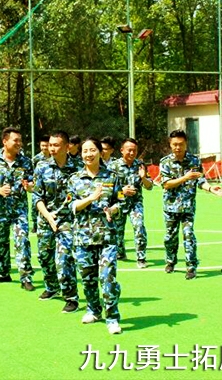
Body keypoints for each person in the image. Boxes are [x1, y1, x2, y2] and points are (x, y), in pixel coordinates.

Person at [68, 137, 123, 334]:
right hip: (83, 237)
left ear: (100, 152)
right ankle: (93, 309)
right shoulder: (74, 179)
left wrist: (113, 210)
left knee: (107, 277)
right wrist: (90, 198)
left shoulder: (113, 177)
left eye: (92, 150)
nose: (88, 154)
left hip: (107, 236)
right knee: (88, 278)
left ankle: (112, 317)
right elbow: (71, 205)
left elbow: (121, 201)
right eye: (85, 151)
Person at [160, 129, 222, 280]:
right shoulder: (165, 162)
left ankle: (191, 266)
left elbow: (200, 180)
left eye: (181, 144)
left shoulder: (194, 161)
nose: (178, 147)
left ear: (186, 144)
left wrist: (211, 189)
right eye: (175, 144)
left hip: (188, 206)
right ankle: (170, 261)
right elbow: (166, 184)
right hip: (170, 207)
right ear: (170, 145)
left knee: (189, 235)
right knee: (170, 237)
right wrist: (185, 177)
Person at [0, 127, 35, 291]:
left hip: (19, 210)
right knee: (0, 241)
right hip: (0, 209)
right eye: (15, 140)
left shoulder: (26, 162)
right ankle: (3, 272)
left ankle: (25, 277)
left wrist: (29, 186)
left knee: (22, 240)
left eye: (20, 140)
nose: (19, 143)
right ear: (5, 141)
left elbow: (32, 182)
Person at [33, 130, 80, 313]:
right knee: (44, 256)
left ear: (67, 147)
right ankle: (51, 286)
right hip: (46, 218)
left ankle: (71, 297)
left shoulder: (78, 167)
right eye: (50, 145)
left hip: (68, 220)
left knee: (64, 258)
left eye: (56, 145)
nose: (52, 148)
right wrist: (47, 216)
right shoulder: (42, 167)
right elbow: (37, 197)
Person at [109, 138, 153, 268]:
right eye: (129, 150)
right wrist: (122, 191)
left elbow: (149, 186)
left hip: (135, 203)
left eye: (134, 150)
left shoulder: (140, 165)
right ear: (122, 150)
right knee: (118, 232)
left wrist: (143, 177)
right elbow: (108, 188)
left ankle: (141, 257)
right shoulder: (113, 166)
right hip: (119, 202)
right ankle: (120, 253)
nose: (132, 153)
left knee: (139, 227)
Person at [30, 134, 51, 234]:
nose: (44, 148)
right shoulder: (36, 159)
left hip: (49, 185)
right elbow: (31, 172)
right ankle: (35, 225)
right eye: (42, 145)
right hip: (37, 185)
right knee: (35, 205)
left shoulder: (54, 156)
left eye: (46, 145)